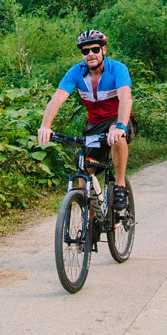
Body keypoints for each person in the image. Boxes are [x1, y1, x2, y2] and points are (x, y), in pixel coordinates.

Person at [37, 29, 133, 208]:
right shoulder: (76, 72)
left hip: (117, 118)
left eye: (95, 49)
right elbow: (57, 98)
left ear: (103, 50)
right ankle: (89, 223)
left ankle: (119, 186)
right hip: (94, 125)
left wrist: (120, 126)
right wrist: (45, 126)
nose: (90, 54)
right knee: (84, 177)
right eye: (85, 51)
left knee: (116, 137)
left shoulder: (117, 69)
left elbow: (125, 98)